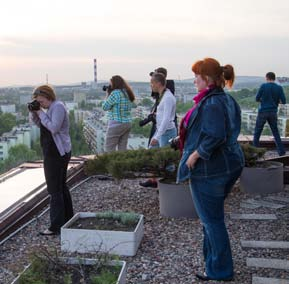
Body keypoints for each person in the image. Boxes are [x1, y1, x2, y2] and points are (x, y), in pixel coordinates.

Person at [177, 58, 244, 281]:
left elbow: (216, 135)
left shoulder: (212, 102)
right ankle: (213, 265)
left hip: (210, 171)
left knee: (212, 221)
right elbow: (226, 130)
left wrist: (195, 156)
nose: (194, 80)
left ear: (206, 78)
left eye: (197, 76)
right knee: (212, 219)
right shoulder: (224, 99)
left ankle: (220, 271)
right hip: (228, 165)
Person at [30, 85, 73, 235]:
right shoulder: (50, 108)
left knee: (54, 189)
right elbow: (40, 124)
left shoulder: (58, 107)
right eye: (38, 102)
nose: (40, 105)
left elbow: (54, 128)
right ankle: (67, 219)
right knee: (60, 186)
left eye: (41, 102)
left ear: (49, 97)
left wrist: (40, 112)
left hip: (57, 152)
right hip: (53, 151)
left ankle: (55, 227)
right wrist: (34, 112)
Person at [139, 72, 177, 188]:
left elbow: (166, 120)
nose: (151, 85)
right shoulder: (163, 96)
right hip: (161, 131)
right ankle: (154, 181)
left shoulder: (168, 98)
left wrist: (157, 136)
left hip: (166, 132)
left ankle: (169, 186)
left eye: (152, 83)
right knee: (152, 154)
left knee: (167, 161)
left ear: (158, 83)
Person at [253, 72, 286, 156]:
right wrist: (276, 101)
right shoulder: (279, 88)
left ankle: (254, 152)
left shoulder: (263, 86)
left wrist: (263, 101)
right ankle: (281, 152)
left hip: (263, 111)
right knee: (275, 132)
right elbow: (284, 101)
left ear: (267, 78)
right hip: (273, 112)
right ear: (274, 78)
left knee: (257, 132)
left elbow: (257, 98)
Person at [102, 75, 135, 152]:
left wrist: (107, 94)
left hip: (116, 124)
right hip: (127, 123)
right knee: (122, 148)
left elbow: (105, 107)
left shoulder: (115, 93)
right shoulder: (127, 92)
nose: (110, 86)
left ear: (115, 84)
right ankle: (122, 163)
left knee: (109, 149)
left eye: (111, 84)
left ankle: (111, 164)